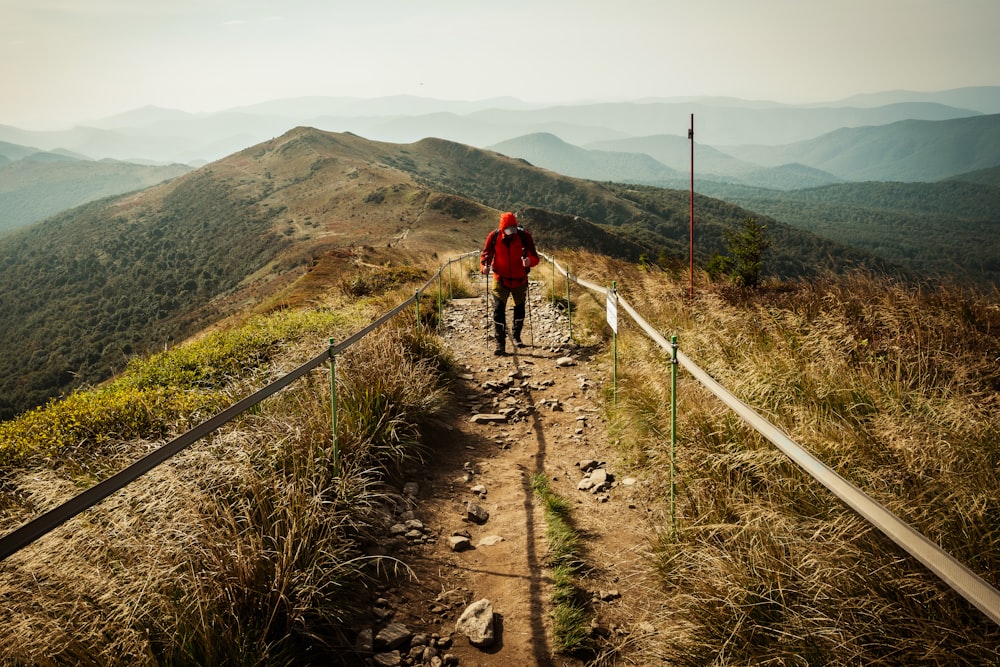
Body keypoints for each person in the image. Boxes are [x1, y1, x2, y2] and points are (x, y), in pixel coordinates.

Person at [480, 211, 540, 355]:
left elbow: (535, 257)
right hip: (500, 279)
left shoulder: (524, 236)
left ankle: (516, 336)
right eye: (508, 230)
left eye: (513, 229)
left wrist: (529, 262)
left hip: (520, 280)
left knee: (519, 309)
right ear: (502, 229)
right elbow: (486, 255)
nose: (511, 233)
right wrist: (484, 267)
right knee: (498, 310)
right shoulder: (493, 237)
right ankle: (500, 344)